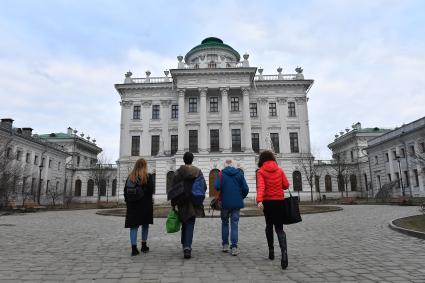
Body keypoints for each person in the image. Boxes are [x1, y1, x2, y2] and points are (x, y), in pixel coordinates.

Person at [256, 150, 290, 269]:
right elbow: (286, 185)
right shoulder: (280, 170)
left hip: (268, 203)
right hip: (279, 202)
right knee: (279, 228)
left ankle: (271, 251)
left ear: (262, 160)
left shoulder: (261, 171)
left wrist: (259, 200)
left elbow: (261, 186)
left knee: (269, 225)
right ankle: (284, 253)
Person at [171, 152, 206, 259]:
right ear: (192, 159)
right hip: (194, 200)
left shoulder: (178, 172)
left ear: (183, 159)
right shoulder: (198, 171)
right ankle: (187, 247)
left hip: (181, 200)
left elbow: (173, 188)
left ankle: (184, 245)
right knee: (190, 223)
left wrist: (174, 203)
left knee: (184, 221)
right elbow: (203, 186)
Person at [214, 160, 249, 256]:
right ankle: (234, 247)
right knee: (234, 224)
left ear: (224, 166)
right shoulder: (239, 173)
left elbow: (216, 186)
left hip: (224, 203)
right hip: (236, 203)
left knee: (225, 223)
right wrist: (240, 196)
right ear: (233, 166)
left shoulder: (221, 174)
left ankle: (225, 245)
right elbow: (246, 189)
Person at [124, 158, 154, 256]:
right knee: (145, 225)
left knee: (133, 227)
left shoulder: (130, 177)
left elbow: (125, 192)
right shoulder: (147, 177)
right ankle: (144, 246)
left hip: (132, 205)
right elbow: (151, 191)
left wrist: (128, 202)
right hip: (145, 205)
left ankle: (134, 248)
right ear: (145, 166)